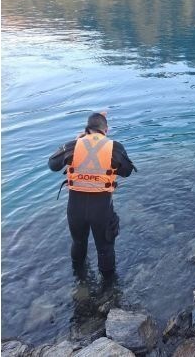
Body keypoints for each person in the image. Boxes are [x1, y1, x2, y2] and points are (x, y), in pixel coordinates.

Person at [48, 112, 136, 278]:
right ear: (106, 130)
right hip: (101, 210)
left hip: (75, 209)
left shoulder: (74, 145)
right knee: (105, 249)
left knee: (78, 243)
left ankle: (79, 280)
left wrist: (76, 142)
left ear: (86, 130)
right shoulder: (114, 147)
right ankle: (109, 288)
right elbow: (127, 171)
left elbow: (52, 165)